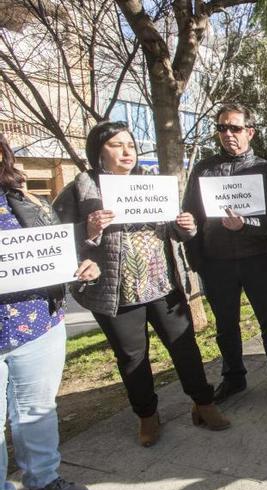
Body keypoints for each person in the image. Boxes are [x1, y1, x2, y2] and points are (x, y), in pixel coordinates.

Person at [53, 122, 231, 447]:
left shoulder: (151, 184)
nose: (126, 152)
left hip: (162, 286)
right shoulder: (82, 188)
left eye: (131, 145)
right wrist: (88, 230)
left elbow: (175, 232)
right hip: (116, 295)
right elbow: (56, 238)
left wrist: (185, 227)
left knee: (185, 346)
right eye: (116, 145)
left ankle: (203, 403)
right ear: (98, 151)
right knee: (132, 357)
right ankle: (147, 415)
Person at [1, 133, 99, 490]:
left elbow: (56, 251)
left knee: (36, 411)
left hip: (39, 324)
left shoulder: (27, 200)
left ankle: (44, 482)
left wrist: (82, 267)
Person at [181, 103, 267, 403]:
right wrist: (189, 230)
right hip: (216, 262)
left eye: (235, 127)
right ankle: (234, 378)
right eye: (222, 128)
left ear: (250, 132)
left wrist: (245, 225)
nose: (228, 133)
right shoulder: (203, 169)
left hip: (257, 258)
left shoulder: (266, 170)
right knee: (226, 325)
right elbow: (190, 214)